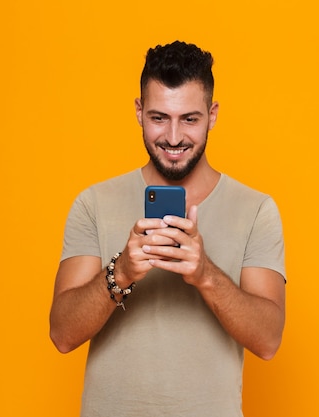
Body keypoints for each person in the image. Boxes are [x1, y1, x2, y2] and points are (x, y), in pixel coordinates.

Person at [49, 40, 286, 417]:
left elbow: (268, 340)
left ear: (212, 115)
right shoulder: (93, 203)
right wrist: (122, 271)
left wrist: (205, 273)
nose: (174, 138)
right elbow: (62, 334)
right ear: (139, 112)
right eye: (160, 117)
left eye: (189, 119)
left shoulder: (256, 210)